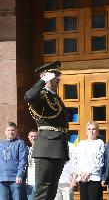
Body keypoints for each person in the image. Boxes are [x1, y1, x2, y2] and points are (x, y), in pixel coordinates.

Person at [24, 60, 69, 200]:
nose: (58, 78)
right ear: (46, 76)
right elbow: (29, 96)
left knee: (52, 190)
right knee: (43, 190)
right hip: (46, 146)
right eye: (55, 75)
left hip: (58, 146)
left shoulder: (54, 96)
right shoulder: (41, 95)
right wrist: (43, 80)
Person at [72, 121, 104, 200]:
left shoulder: (99, 143)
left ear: (97, 131)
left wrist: (88, 173)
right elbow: (76, 161)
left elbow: (99, 161)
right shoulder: (81, 143)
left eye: (94, 129)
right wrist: (80, 173)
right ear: (86, 131)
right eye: (89, 129)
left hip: (94, 177)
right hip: (82, 178)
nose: (91, 131)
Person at [0, 122, 28, 200]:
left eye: (13, 130)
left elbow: (23, 161)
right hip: (2, 178)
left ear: (16, 132)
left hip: (15, 178)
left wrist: (19, 175)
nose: (11, 132)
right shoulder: (1, 144)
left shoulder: (20, 144)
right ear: (5, 132)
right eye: (8, 130)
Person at [26, 129, 38, 200]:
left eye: (35, 136)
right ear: (28, 137)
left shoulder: (43, 150)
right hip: (29, 183)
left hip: (39, 183)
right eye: (32, 136)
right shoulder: (26, 149)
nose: (33, 138)